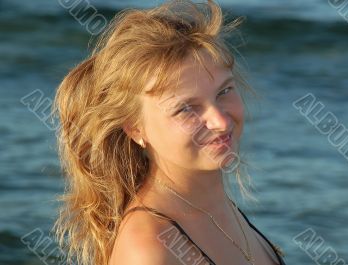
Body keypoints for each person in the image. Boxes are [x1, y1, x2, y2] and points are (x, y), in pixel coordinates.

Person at [52, 0, 286, 264]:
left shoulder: (218, 208)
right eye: (186, 109)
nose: (220, 121)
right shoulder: (150, 249)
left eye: (224, 91)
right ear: (135, 128)